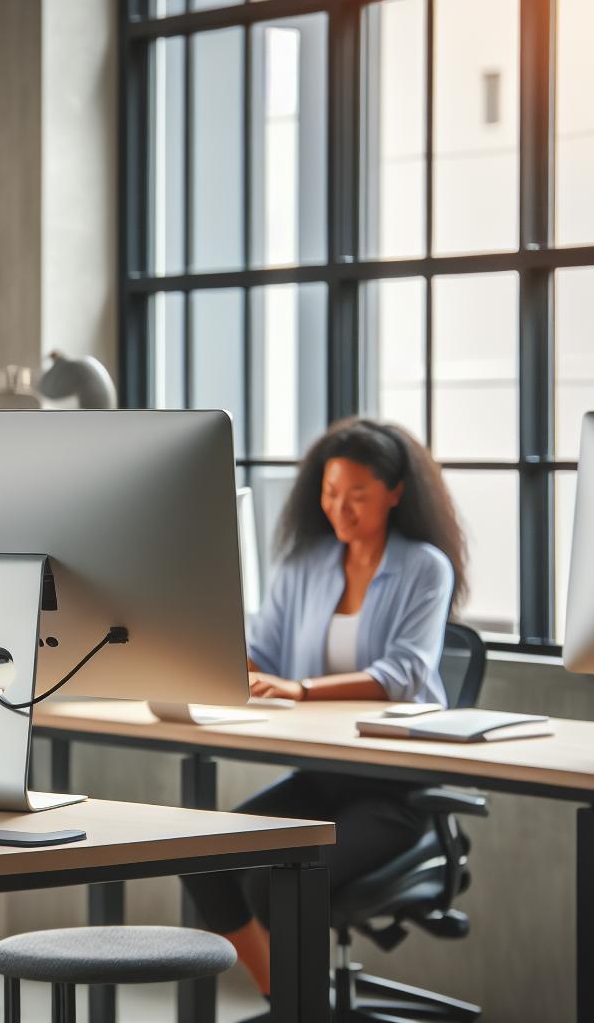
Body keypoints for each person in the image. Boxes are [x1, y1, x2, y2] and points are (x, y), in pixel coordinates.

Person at [183, 417, 467, 1010]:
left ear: (394, 493)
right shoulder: (304, 564)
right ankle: (292, 1000)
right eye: (331, 493)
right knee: (203, 855)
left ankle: (300, 1005)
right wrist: (210, 647)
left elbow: (404, 674)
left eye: (358, 496)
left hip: (396, 791)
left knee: (272, 880)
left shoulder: (425, 568)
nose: (341, 509)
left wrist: (302, 690)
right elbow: (265, 653)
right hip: (323, 777)